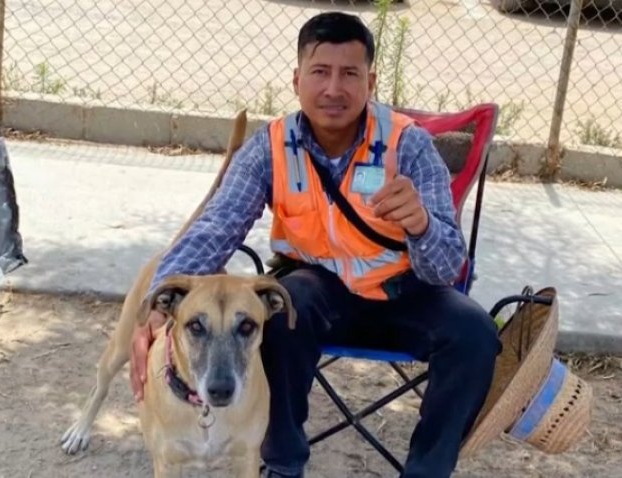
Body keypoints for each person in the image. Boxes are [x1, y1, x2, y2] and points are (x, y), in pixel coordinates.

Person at [128, 11, 500, 478]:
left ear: (371, 81)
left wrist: (422, 225)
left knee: (476, 333)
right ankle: (283, 465)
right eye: (320, 72)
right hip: (318, 291)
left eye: (350, 74)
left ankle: (427, 470)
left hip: (404, 292)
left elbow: (446, 269)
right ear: (297, 79)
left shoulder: (410, 145)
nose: (333, 89)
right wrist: (159, 305)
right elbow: (216, 227)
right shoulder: (271, 145)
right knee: (281, 307)